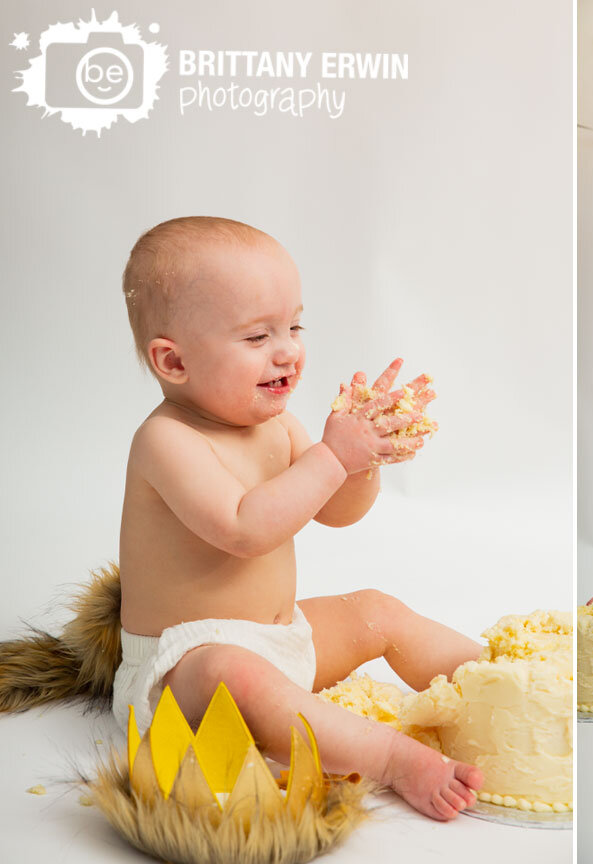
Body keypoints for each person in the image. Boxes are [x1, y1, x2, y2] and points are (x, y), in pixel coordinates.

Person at [113, 215, 483, 818]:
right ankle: (388, 758)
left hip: (282, 640)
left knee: (375, 610)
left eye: (294, 325)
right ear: (173, 362)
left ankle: (498, 685)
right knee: (239, 674)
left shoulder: (277, 425)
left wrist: (362, 461)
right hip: (186, 668)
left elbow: (337, 511)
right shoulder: (166, 441)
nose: (287, 349)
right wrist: (334, 454)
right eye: (256, 337)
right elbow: (244, 528)